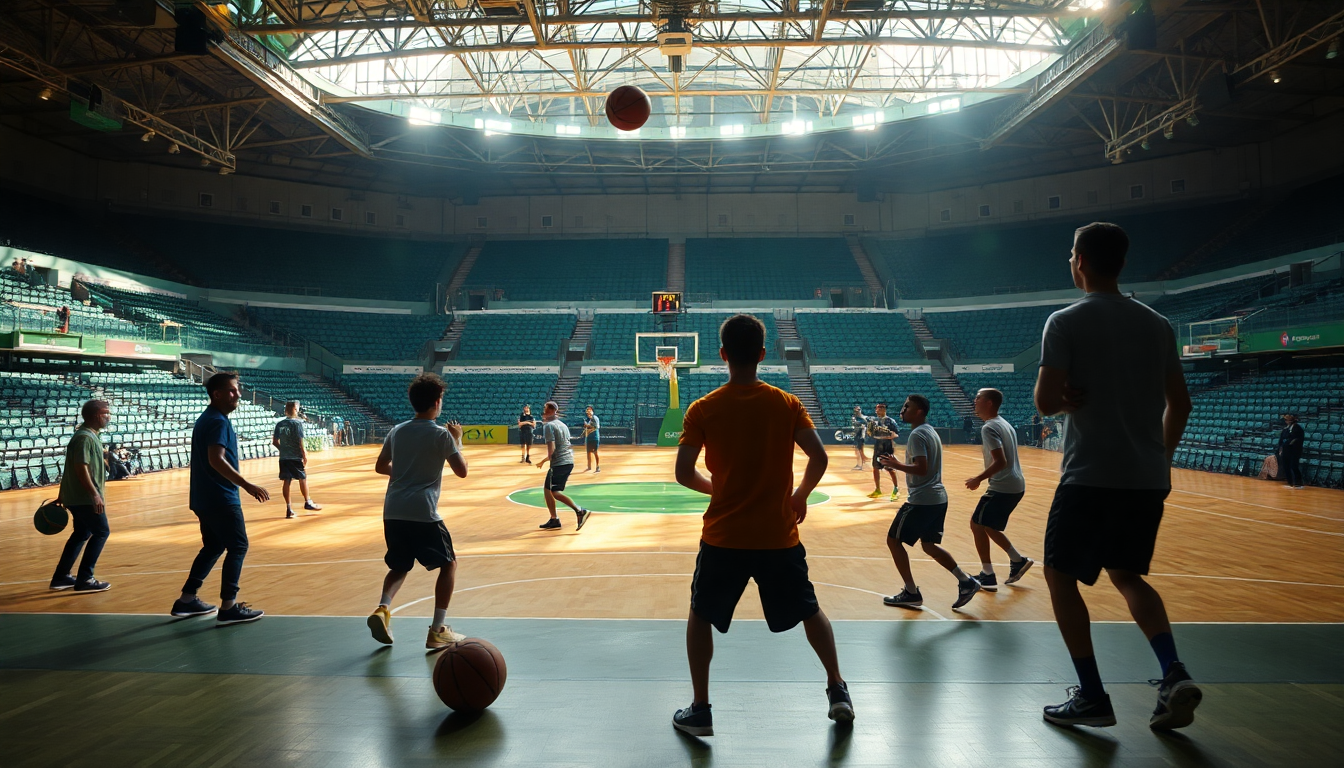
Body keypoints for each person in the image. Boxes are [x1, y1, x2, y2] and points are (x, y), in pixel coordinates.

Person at [1034, 222, 1199, 731]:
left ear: (1080, 260)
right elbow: (1181, 403)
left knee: (1060, 576)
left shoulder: (1065, 321)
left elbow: (1044, 403)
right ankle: (1173, 672)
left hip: (1089, 475)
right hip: (1145, 478)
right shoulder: (1157, 324)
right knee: (1128, 576)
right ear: (1121, 263)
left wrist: (1064, 398)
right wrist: (1160, 458)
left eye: (1070, 255)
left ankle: (1091, 695)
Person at [672, 314, 852, 736]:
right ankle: (837, 689)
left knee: (700, 614)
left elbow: (683, 473)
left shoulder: (703, 408)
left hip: (724, 537)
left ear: (722, 355)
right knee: (810, 610)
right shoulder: (786, 403)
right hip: (778, 535)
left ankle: (701, 709)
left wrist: (716, 489)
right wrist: (800, 495)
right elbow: (820, 458)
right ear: (762, 354)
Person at [366, 373, 470, 650]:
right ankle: (437, 630)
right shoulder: (441, 435)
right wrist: (457, 440)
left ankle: (382, 608)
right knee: (449, 564)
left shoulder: (397, 431)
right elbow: (462, 472)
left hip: (393, 510)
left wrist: (404, 475)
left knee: (400, 565)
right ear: (437, 403)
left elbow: (380, 466)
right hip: (422, 511)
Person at [169, 372, 270, 626]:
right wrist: (246, 484)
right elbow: (216, 459)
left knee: (213, 546)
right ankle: (229, 606)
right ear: (217, 394)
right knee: (238, 546)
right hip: (220, 497)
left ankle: (187, 600)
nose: (238, 394)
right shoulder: (218, 422)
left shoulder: (208, 418)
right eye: (233, 391)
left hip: (204, 497)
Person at [880, 395, 981, 610]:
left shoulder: (917, 435)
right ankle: (966, 581)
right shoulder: (930, 431)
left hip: (922, 500)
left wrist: (896, 465)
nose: (902, 409)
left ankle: (911, 592)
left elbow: (922, 468)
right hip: (938, 499)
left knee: (893, 541)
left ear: (919, 412)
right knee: (928, 545)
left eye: (907, 406)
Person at [964, 388, 1033, 591]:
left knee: (979, 524)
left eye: (978, 398)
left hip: (1003, 486)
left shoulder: (989, 428)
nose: (974, 400)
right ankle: (1013, 561)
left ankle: (990, 573)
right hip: (1014, 485)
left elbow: (1000, 461)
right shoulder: (1004, 423)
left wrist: (978, 478)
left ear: (989, 403)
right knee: (985, 525)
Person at [49, 400, 113, 593]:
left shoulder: (90, 436)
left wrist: (63, 494)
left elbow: (68, 467)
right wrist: (94, 494)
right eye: (106, 413)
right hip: (85, 497)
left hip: (77, 496)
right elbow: (79, 467)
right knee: (102, 532)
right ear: (95, 415)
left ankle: (62, 577)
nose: (109, 417)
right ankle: (85, 578)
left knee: (81, 534)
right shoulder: (84, 438)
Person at [535, 401, 591, 531]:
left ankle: (579, 511)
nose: (544, 412)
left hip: (560, 462)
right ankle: (554, 519)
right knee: (547, 489)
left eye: (545, 409)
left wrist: (544, 460)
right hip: (567, 460)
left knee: (554, 491)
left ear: (552, 411)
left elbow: (552, 450)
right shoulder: (562, 425)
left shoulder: (548, 426)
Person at [273, 402, 321, 519]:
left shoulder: (280, 424)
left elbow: (274, 441)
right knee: (302, 478)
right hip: (295, 457)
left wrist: (283, 450)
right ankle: (307, 502)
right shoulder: (297, 424)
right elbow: (301, 442)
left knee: (286, 481)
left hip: (284, 458)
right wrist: (304, 455)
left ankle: (289, 508)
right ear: (295, 409)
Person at [866, 403, 901, 501]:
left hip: (887, 447)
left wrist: (888, 436)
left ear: (884, 410)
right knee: (875, 467)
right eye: (877, 409)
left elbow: (897, 434)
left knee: (889, 468)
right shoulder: (874, 422)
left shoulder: (891, 421)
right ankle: (877, 490)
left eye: (881, 408)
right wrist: (870, 433)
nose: (878, 410)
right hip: (878, 446)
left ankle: (896, 489)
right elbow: (870, 434)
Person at [1277, 414, 1305, 489]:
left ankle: (1298, 483)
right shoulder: (1286, 429)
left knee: (1294, 466)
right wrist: (1281, 448)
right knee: (1286, 466)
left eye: (1286, 420)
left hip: (1294, 450)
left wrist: (1288, 444)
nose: (1285, 421)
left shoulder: (1297, 428)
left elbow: (1296, 439)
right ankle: (1290, 483)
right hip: (1286, 450)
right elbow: (1281, 439)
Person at [583, 405, 602, 473]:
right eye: (587, 409)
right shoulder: (586, 419)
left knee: (595, 452)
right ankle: (589, 466)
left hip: (595, 437)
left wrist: (588, 425)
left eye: (590, 409)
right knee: (588, 452)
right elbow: (585, 428)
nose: (588, 411)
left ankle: (597, 466)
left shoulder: (595, 418)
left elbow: (596, 426)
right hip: (588, 437)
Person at [850, 406, 867, 470]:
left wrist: (863, 435)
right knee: (857, 450)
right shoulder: (854, 417)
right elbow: (854, 424)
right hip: (857, 435)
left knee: (859, 450)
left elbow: (865, 425)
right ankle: (860, 464)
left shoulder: (863, 417)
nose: (857, 411)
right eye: (856, 410)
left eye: (858, 410)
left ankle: (860, 465)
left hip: (861, 435)